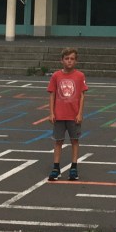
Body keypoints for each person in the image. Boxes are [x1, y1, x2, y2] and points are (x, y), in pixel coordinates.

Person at [47, 47, 87, 181]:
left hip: (73, 115)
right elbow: (52, 94)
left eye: (72, 59)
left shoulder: (80, 76)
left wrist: (80, 113)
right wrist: (51, 112)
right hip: (59, 115)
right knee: (58, 141)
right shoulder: (56, 76)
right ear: (62, 60)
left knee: (74, 140)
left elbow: (82, 95)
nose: (69, 61)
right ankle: (56, 167)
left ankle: (74, 167)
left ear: (76, 61)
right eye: (67, 58)